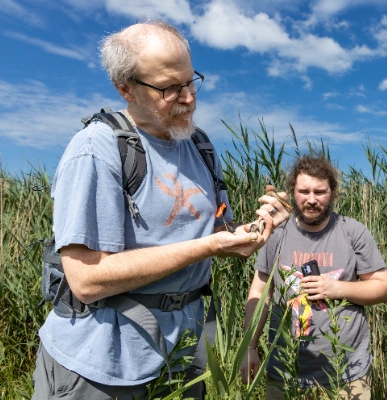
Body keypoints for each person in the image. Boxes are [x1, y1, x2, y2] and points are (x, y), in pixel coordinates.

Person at [32, 20, 290, 400]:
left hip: (183, 359)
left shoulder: (200, 147)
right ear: (126, 88)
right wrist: (209, 247)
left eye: (191, 81)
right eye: (170, 88)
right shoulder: (97, 149)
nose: (188, 98)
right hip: (102, 364)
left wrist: (257, 226)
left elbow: (219, 232)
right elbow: (86, 280)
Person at [240, 155, 387, 399]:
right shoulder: (277, 234)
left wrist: (337, 289)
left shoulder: (352, 232)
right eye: (304, 191)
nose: (311, 200)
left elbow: (383, 289)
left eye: (320, 192)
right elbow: (259, 293)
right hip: (285, 372)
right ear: (293, 192)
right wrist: (249, 346)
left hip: (347, 374)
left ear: (332, 192)